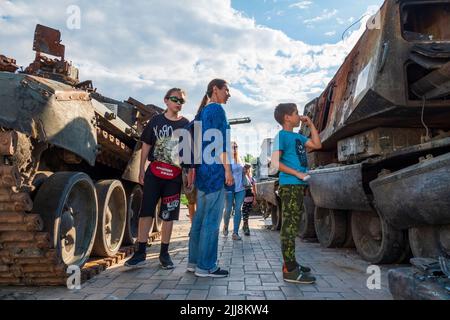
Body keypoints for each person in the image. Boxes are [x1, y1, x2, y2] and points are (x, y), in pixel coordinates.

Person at [125, 88, 189, 269]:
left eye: (182, 101)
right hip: (154, 173)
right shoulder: (156, 120)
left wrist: (189, 174)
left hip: (173, 177)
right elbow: (146, 145)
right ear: (166, 100)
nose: (178, 103)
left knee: (168, 215)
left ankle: (164, 254)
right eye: (175, 99)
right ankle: (140, 252)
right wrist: (141, 170)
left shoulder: (186, 124)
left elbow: (188, 153)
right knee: (145, 212)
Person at [271, 103, 322, 284]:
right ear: (287, 117)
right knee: (289, 227)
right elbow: (275, 163)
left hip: (298, 186)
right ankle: (290, 270)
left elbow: (317, 144)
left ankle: (291, 263)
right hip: (290, 185)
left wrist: (310, 123)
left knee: (293, 225)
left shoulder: (298, 136)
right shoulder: (281, 136)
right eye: (296, 113)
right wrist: (297, 173)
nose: (299, 116)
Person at [187, 79, 234, 278]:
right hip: (214, 172)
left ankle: (193, 262)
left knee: (199, 219)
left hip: (202, 172)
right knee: (211, 222)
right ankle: (206, 267)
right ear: (215, 90)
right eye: (227, 90)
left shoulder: (202, 113)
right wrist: (228, 170)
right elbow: (219, 144)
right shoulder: (217, 111)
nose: (229, 94)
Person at [222, 142, 245, 241]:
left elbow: (243, 173)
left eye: (236, 146)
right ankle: (226, 225)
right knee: (228, 210)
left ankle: (235, 233)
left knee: (238, 209)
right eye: (232, 147)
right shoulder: (226, 159)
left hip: (240, 188)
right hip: (229, 188)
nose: (235, 148)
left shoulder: (240, 159)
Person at [242, 163, 257, 236]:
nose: (247, 170)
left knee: (247, 213)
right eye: (245, 169)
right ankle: (246, 227)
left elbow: (254, 190)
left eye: (248, 169)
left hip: (250, 198)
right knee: (245, 213)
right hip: (244, 198)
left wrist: (255, 199)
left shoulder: (252, 179)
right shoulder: (242, 177)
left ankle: (245, 226)